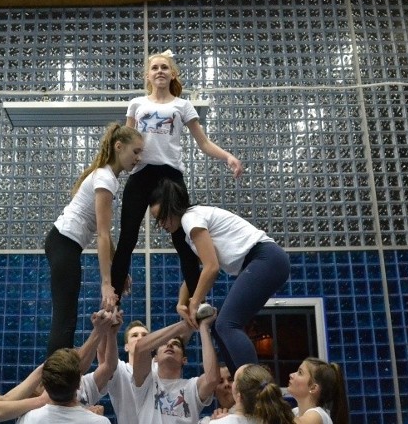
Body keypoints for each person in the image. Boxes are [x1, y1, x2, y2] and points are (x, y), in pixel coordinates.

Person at [110, 50, 244, 302]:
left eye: (164, 67)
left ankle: (197, 303)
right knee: (127, 237)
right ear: (148, 75)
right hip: (141, 175)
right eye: (155, 68)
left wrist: (228, 156)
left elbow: (203, 143)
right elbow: (126, 143)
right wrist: (111, 171)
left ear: (172, 74)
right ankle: (113, 301)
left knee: (182, 240)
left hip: (170, 175)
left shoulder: (182, 105)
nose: (160, 71)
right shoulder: (137, 104)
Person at [148, 178, 291, 375]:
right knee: (219, 327)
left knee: (227, 324)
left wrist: (194, 303)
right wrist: (182, 302)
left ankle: (255, 392)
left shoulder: (191, 219)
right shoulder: (192, 226)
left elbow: (211, 268)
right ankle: (241, 388)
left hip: (265, 258)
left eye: (162, 217)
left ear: (173, 208)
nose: (161, 224)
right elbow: (197, 275)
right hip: (266, 260)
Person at [46, 123, 144, 355]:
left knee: (66, 315)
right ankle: (53, 381)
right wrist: (106, 284)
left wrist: (118, 268)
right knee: (65, 317)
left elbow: (105, 234)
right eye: (136, 151)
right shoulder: (105, 178)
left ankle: (56, 376)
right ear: (119, 147)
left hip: (63, 243)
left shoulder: (108, 178)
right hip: (63, 242)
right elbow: (102, 233)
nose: (138, 158)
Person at [132, 311, 220, 424]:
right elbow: (140, 348)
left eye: (176, 344)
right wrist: (188, 324)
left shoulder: (191, 388)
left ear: (184, 359)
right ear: (155, 358)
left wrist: (203, 326)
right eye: (164, 343)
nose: (169, 345)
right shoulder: (146, 384)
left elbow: (212, 379)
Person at [104, 318, 195, 423]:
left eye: (145, 336)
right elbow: (104, 359)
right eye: (134, 335)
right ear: (126, 346)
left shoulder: (159, 365)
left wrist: (192, 318)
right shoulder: (119, 369)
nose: (140, 339)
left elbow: (179, 343)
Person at [17, 348, 111, 424]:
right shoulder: (100, 421)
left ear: (46, 387)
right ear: (79, 385)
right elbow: (109, 367)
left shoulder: (28, 419)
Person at [214, 364, 295, 424]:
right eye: (220, 381)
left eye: (233, 379)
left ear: (239, 395)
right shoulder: (284, 420)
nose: (227, 385)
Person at [287, 358, 350, 424]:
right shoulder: (295, 412)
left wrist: (276, 401)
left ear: (313, 388)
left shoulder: (317, 415)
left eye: (300, 373)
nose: (291, 375)